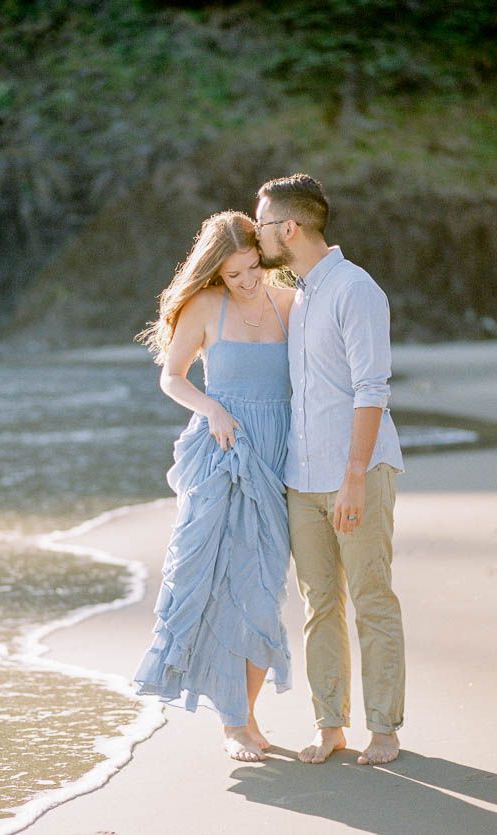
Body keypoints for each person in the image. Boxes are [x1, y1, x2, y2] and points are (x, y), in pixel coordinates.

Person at [134, 211, 296, 762]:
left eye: (253, 268)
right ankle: (235, 721)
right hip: (223, 452)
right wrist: (212, 409)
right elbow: (172, 377)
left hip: (277, 456)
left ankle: (243, 713)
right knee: (215, 584)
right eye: (233, 275)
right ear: (214, 275)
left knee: (263, 586)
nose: (247, 281)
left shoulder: (290, 304)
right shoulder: (205, 308)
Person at [255, 173, 405, 766]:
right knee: (319, 605)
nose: (258, 232)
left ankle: (385, 728)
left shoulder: (354, 289)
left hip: (357, 473)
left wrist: (353, 475)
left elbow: (372, 389)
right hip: (302, 477)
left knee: (371, 598)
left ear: (290, 227)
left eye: (263, 223)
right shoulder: (301, 293)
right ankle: (330, 723)